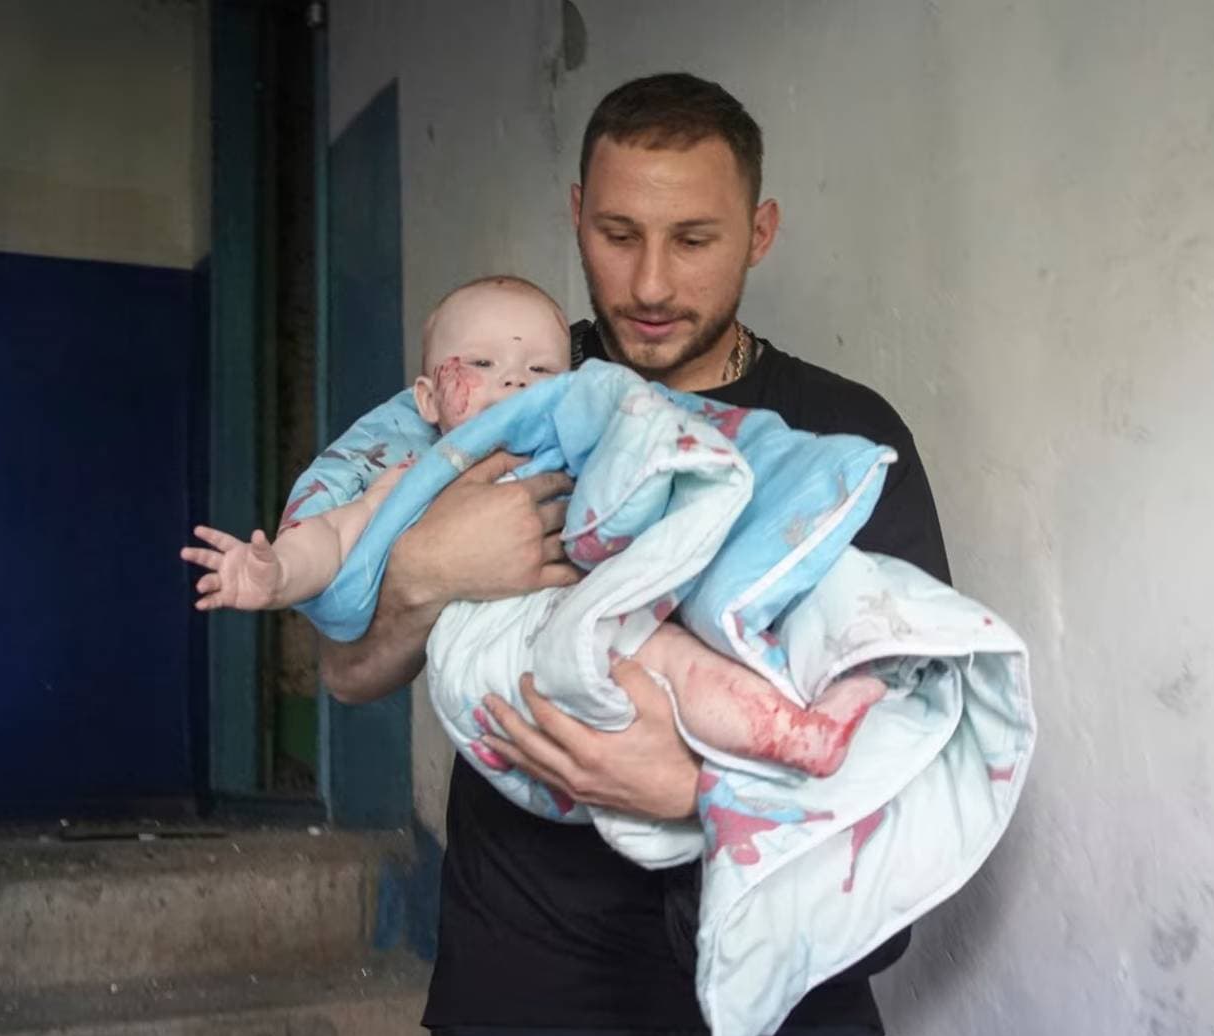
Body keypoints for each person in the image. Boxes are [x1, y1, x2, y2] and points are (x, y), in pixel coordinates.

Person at [320, 73, 951, 1036]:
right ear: (575, 214)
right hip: (530, 986)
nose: (651, 285)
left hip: (790, 984)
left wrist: (692, 790)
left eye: (694, 239)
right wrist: (426, 571)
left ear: (760, 231)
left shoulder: (842, 440)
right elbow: (345, 669)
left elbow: (916, 734)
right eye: (617, 234)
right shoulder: (499, 398)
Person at [181, 273, 888, 779]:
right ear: (427, 398)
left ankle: (793, 729)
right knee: (649, 672)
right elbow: (335, 539)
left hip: (614, 624)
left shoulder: (591, 435)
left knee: (680, 665)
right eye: (483, 365)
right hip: (513, 659)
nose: (514, 385)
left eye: (539, 370)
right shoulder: (413, 478)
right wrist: (274, 573)